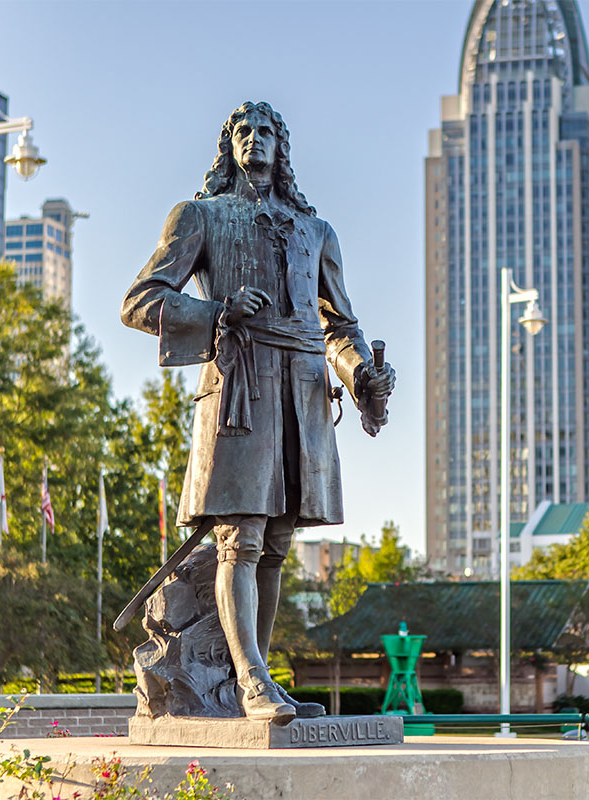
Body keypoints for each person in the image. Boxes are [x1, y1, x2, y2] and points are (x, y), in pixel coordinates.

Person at [121, 101, 394, 722]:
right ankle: (248, 683)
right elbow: (140, 301)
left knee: (275, 541)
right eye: (242, 132)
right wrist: (217, 312)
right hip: (239, 386)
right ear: (228, 147)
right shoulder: (200, 216)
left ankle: (259, 681)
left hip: (302, 391)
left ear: (282, 147)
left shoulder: (316, 230)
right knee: (238, 539)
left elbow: (340, 327)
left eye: (265, 131)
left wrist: (362, 376)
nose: (254, 140)